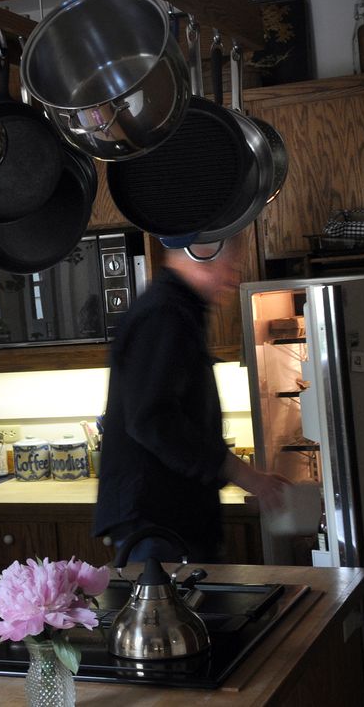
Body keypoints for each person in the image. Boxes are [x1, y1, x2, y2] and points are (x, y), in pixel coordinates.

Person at [95, 235, 289, 565]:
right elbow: (153, 420)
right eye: (230, 267)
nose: (232, 280)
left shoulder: (176, 309)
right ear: (201, 253)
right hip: (157, 525)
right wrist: (246, 476)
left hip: (168, 520)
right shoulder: (164, 314)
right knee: (171, 617)